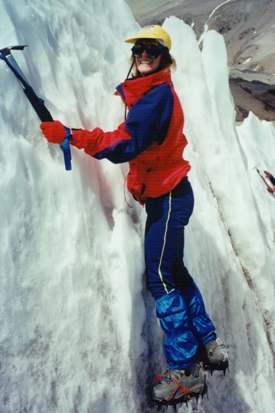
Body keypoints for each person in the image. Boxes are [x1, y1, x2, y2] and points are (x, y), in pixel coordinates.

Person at [40, 25, 228, 404]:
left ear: (165, 57)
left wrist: (71, 135)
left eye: (151, 50)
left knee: (161, 278)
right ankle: (207, 342)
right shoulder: (153, 93)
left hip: (169, 196)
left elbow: (125, 144)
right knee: (173, 270)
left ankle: (185, 371)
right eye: (139, 49)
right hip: (170, 195)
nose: (143, 54)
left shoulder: (156, 97)